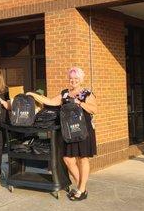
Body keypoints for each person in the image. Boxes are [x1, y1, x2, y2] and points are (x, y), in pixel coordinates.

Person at [27, 67, 97, 201]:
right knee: (68, 159)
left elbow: (94, 110)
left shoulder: (87, 93)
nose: (73, 81)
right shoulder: (65, 94)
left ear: (81, 79)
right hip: (68, 131)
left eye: (76, 78)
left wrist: (79, 103)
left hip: (83, 129)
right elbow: (50, 102)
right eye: (71, 78)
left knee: (83, 159)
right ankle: (81, 187)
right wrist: (33, 94)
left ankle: (81, 189)